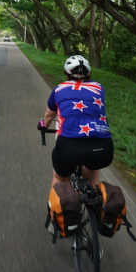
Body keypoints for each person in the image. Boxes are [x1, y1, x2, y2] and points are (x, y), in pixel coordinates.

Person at [41, 54, 113, 189]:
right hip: (103, 148)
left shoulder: (59, 89)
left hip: (68, 147)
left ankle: (56, 207)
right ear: (89, 72)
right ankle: (97, 204)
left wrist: (43, 126)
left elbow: (49, 115)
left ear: (66, 73)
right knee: (92, 170)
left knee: (60, 177)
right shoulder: (99, 88)